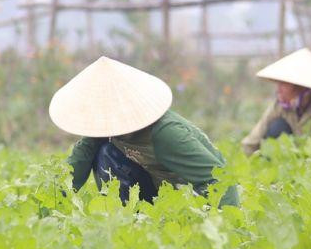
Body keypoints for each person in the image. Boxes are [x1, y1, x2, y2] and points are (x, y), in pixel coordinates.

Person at [55, 56, 239, 207]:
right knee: (105, 154)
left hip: (188, 198)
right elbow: (76, 166)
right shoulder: (105, 129)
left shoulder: (166, 132)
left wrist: (229, 225)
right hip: (155, 192)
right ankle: (126, 220)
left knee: (107, 153)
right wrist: (53, 206)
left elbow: (218, 179)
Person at [241, 47, 311, 160]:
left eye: (283, 84)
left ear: (302, 87)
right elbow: (253, 141)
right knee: (277, 127)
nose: (278, 90)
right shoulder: (280, 105)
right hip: (288, 163)